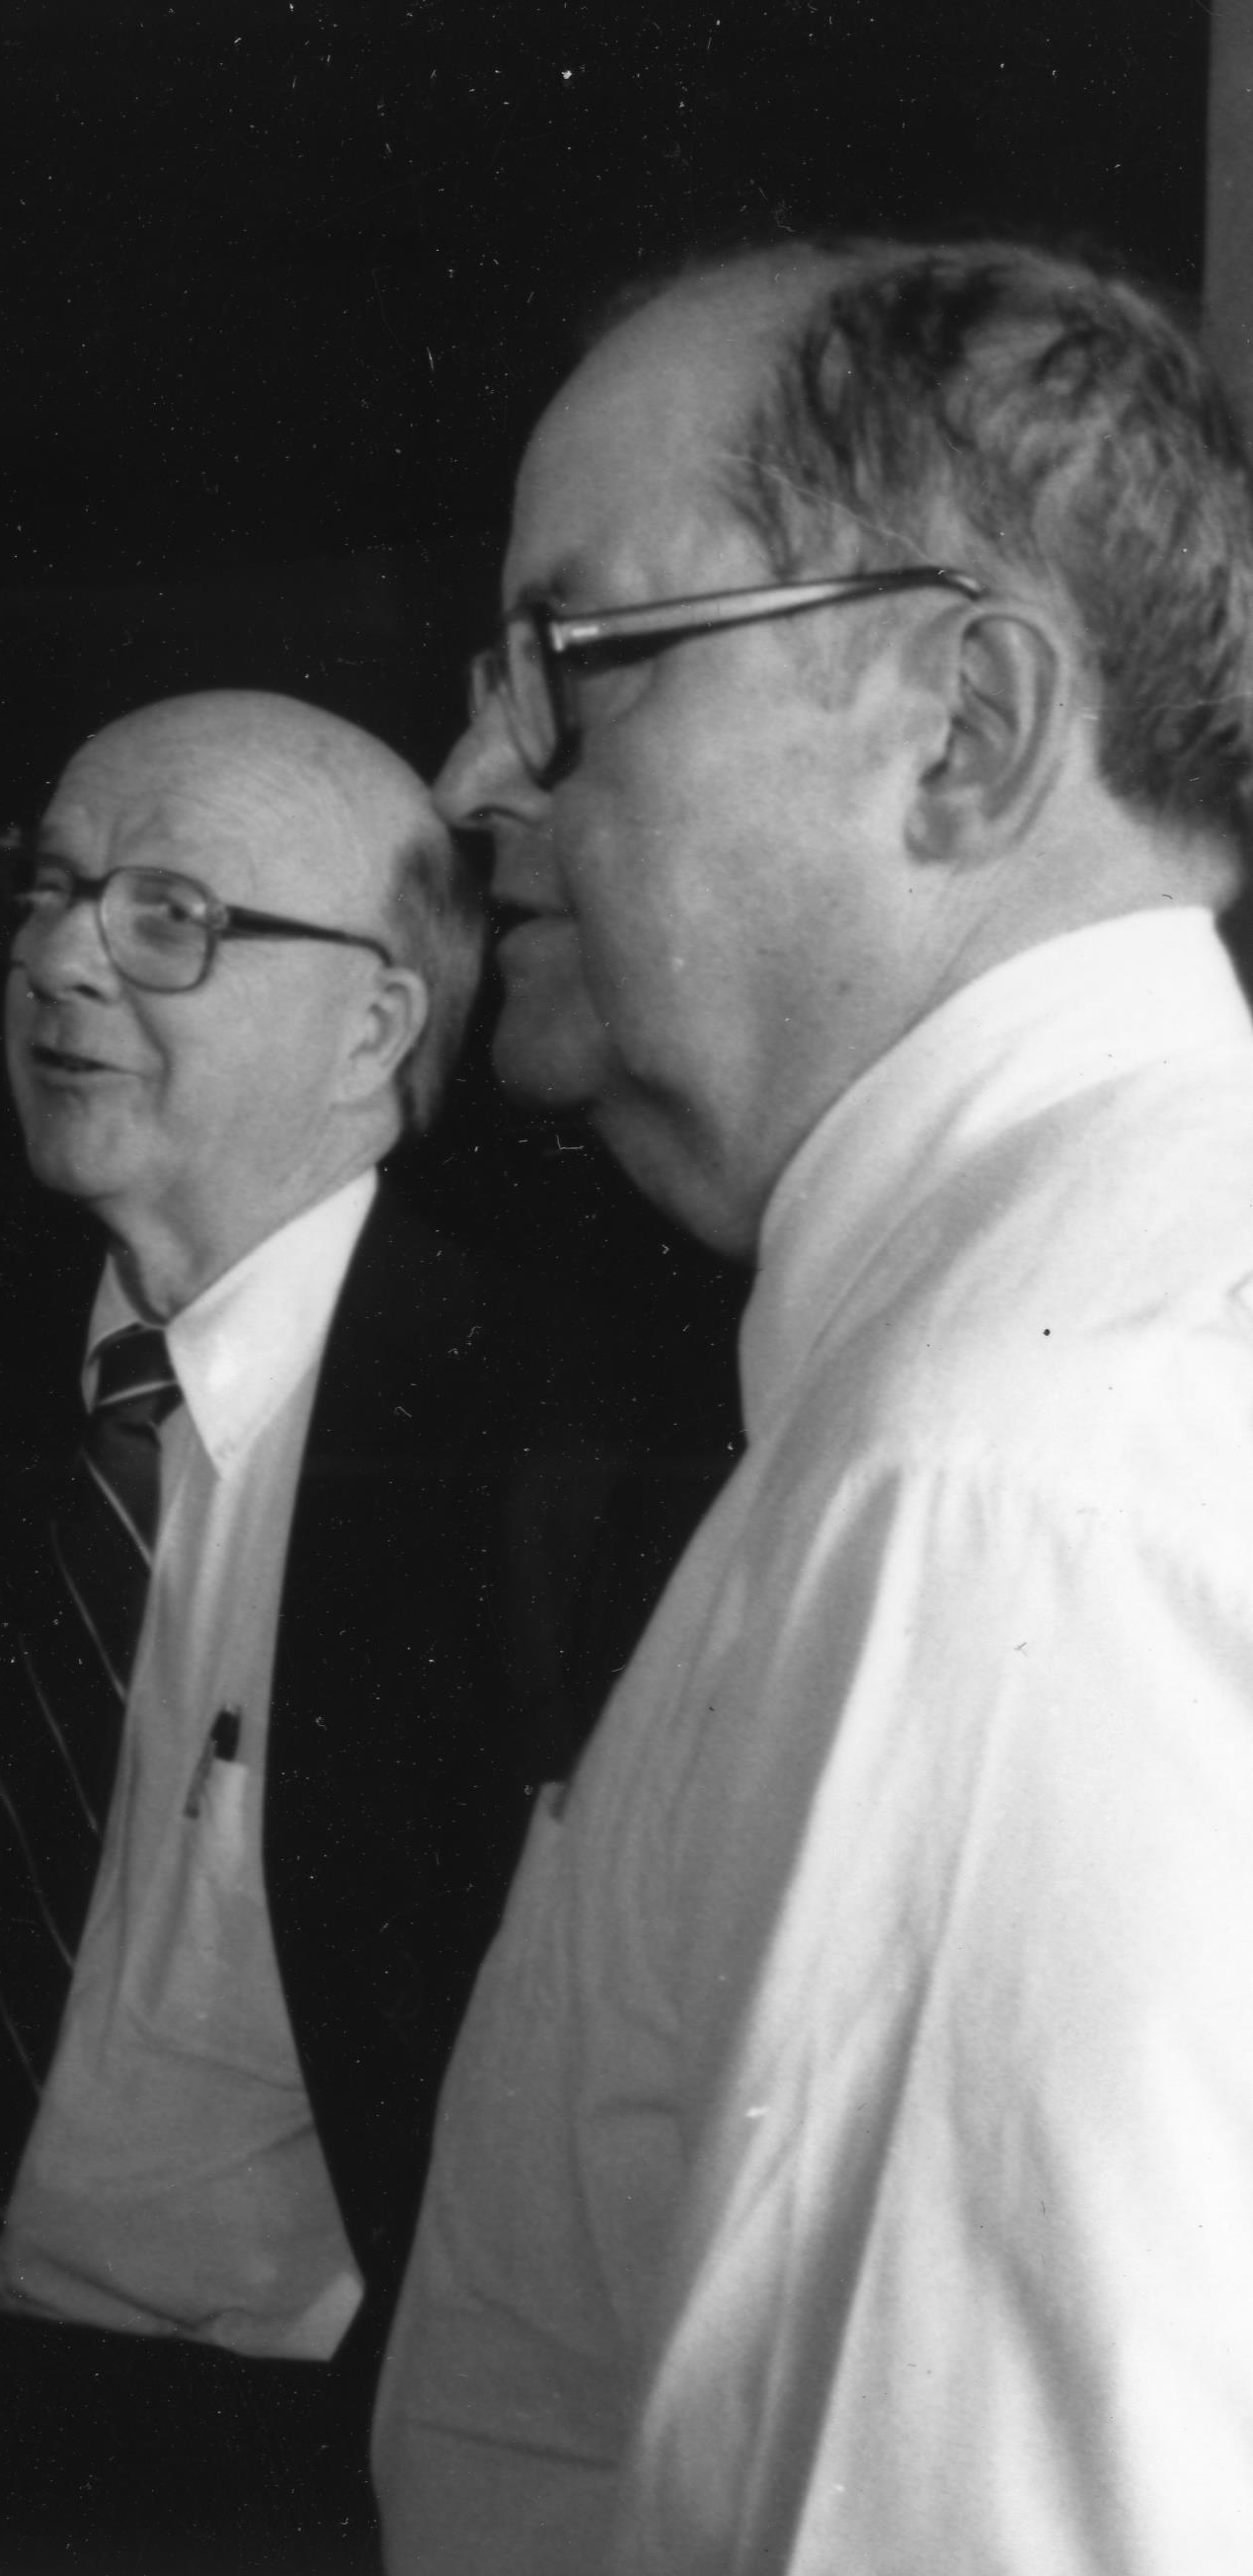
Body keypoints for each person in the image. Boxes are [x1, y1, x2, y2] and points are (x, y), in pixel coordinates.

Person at [380, 238, 1253, 2572]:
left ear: (960, 734)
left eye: (571, 662)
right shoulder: (1040, 1361)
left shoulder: (1008, 1489)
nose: (469, 775)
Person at [0, 691, 526, 2571]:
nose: (53, 957)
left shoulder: (531, 1439)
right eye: (47, 888)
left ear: (377, 1026)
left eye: (169, 913)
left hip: (292, 2468)